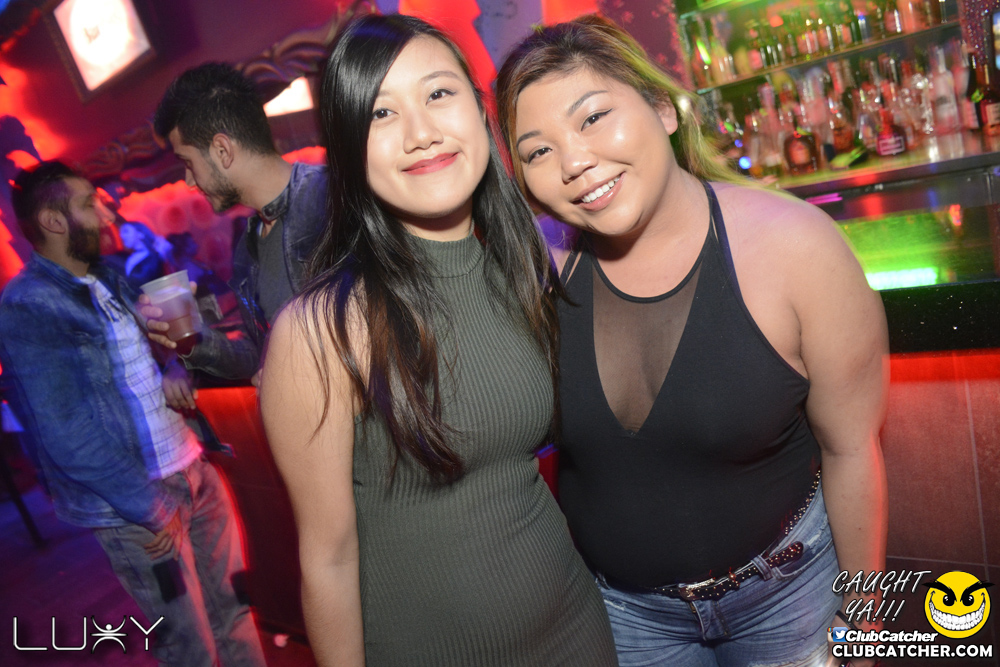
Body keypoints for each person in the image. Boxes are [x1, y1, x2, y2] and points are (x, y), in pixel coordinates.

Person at [495, 16, 889, 667]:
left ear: (662, 108)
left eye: (593, 117)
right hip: (625, 617)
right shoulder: (532, 273)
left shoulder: (797, 247)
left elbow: (852, 449)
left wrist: (866, 622)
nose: (574, 162)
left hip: (788, 598)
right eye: (538, 151)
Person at [259, 15, 618, 667]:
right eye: (381, 113)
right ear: (349, 147)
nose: (421, 132)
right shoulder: (321, 332)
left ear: (480, 112)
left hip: (578, 633)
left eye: (438, 94)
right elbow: (328, 559)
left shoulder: (527, 270)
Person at [0, 161, 267, 667]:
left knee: (235, 610)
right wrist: (146, 506)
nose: (106, 213)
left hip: (193, 468)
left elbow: (142, 357)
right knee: (189, 645)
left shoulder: (108, 277)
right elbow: (65, 431)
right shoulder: (28, 305)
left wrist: (172, 367)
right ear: (54, 221)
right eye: (89, 204)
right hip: (141, 506)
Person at [145, 62, 327, 382]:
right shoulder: (248, 246)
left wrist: (293, 374)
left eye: (188, 162)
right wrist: (194, 339)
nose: (189, 180)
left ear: (222, 150)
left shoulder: (331, 197)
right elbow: (258, 352)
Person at [113, 220, 166, 290]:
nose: (121, 235)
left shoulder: (154, 259)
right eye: (121, 232)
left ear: (140, 234)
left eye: (126, 231)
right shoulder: (124, 256)